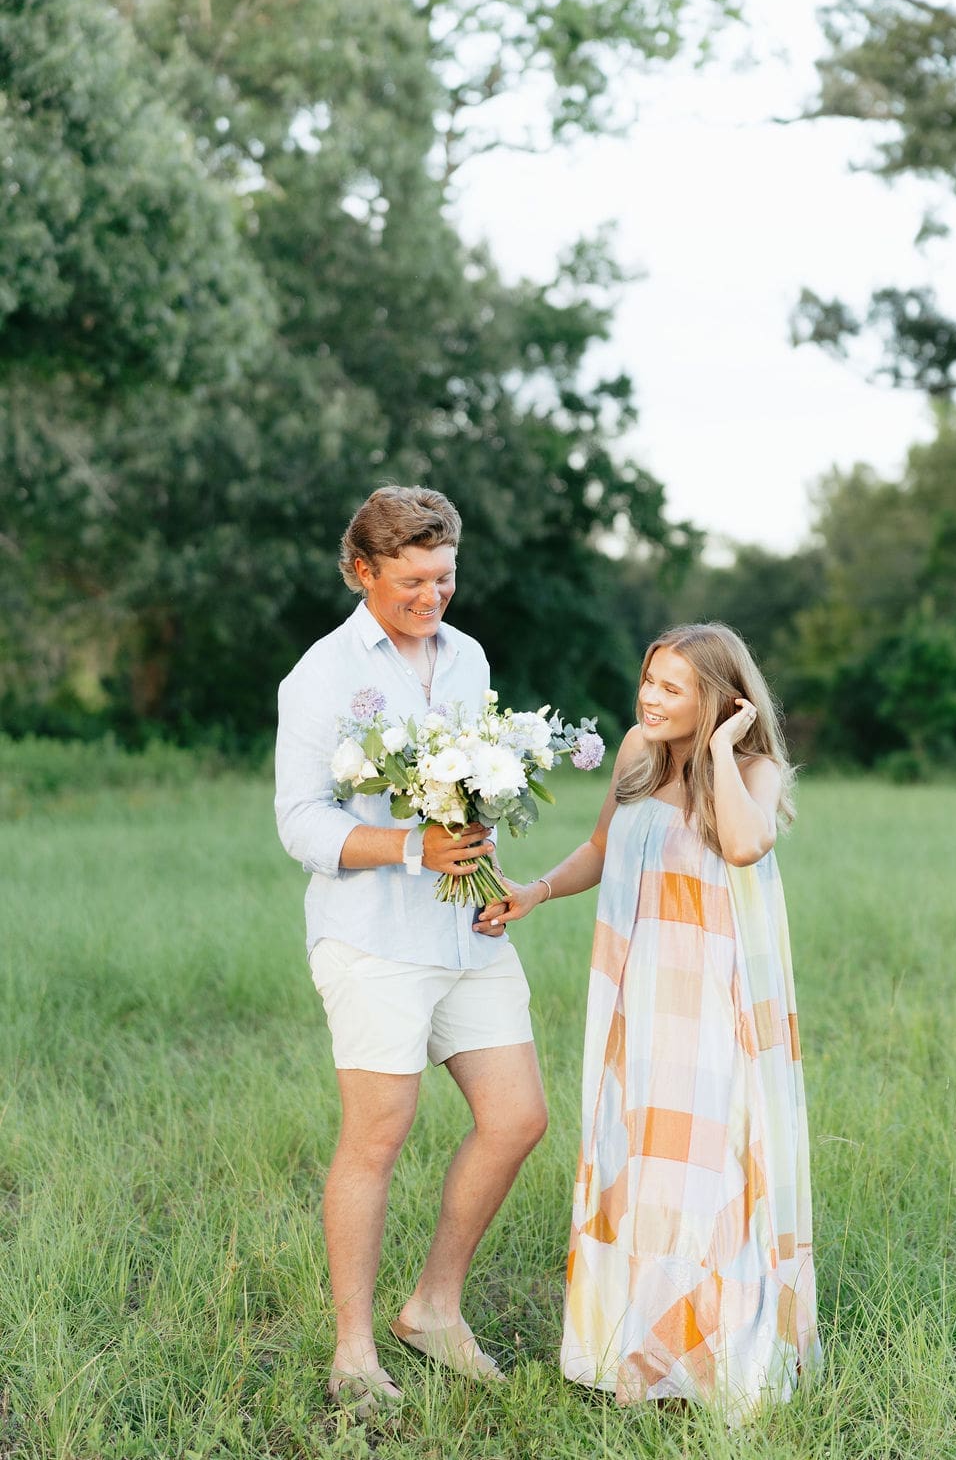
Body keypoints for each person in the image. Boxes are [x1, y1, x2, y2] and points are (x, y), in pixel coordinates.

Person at [481, 623, 820, 1424]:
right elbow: (603, 844)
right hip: (637, 995)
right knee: (634, 1160)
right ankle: (634, 1350)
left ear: (719, 698)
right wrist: (535, 889)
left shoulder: (754, 770)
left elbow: (743, 845)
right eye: (648, 681)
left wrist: (721, 751)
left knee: (711, 1170)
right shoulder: (636, 749)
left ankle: (717, 1361)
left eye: (673, 687)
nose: (651, 699)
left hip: (713, 1008)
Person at [275, 486, 547, 1416]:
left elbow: (477, 789)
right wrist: (406, 848)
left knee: (517, 1118)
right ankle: (354, 1351)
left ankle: (433, 1308)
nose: (433, 596)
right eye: (413, 581)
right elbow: (300, 823)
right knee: (378, 1138)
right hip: (373, 941)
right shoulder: (320, 675)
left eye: (446, 578)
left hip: (465, 931)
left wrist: (489, 873)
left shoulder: (467, 658)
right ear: (363, 572)